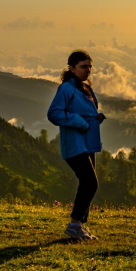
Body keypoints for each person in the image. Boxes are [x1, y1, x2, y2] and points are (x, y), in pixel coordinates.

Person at [47, 50, 105, 241]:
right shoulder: (66, 88)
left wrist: (95, 118)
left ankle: (79, 226)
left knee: (87, 182)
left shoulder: (85, 87)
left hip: (88, 143)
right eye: (83, 66)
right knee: (90, 182)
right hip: (74, 144)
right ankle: (74, 225)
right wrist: (80, 121)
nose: (88, 70)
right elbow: (54, 114)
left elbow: (83, 111)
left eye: (90, 66)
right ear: (71, 68)